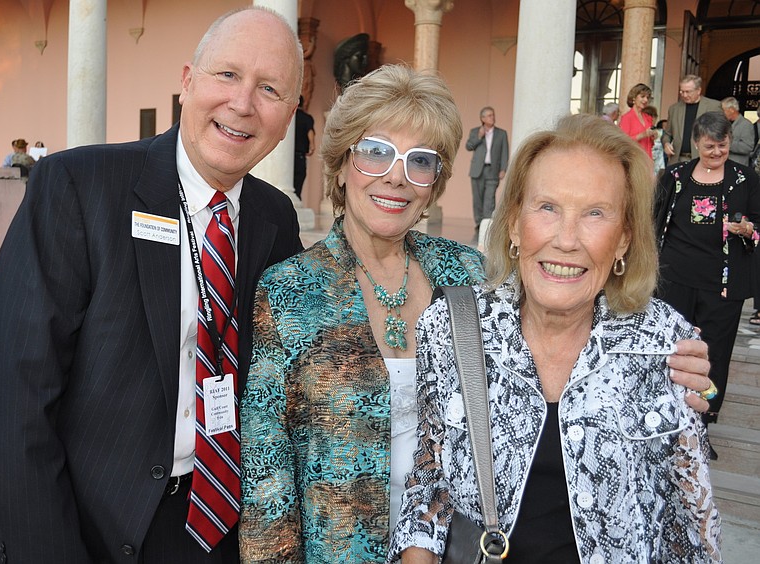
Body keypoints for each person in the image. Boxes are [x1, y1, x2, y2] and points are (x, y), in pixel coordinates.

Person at [238, 67, 715, 563]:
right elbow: (266, 476)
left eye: (420, 161)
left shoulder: (470, 274)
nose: (396, 176)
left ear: (434, 183)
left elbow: (570, 311)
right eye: (375, 152)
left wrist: (683, 372)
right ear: (341, 165)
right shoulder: (290, 293)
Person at [0, 7, 304, 564]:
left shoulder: (275, 219)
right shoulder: (79, 186)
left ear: (289, 115)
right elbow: (15, 401)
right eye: (226, 75)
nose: (242, 104)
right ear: (186, 81)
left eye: (269, 88)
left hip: (209, 525)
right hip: (76, 522)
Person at [391, 114, 722, 564]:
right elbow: (429, 480)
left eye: (595, 214)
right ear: (512, 224)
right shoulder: (451, 328)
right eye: (547, 208)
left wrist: (705, 389)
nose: (566, 240)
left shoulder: (663, 342)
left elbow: (692, 527)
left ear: (624, 239)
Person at [655, 110, 760, 447]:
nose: (717, 152)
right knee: (673, 349)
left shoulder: (746, 179)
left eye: (723, 146)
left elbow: (758, 224)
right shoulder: (675, 176)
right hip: (675, 278)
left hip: (723, 283)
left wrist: (748, 230)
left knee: (714, 353)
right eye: (710, 146)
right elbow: (654, 222)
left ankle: (701, 427)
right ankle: (667, 419)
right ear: (696, 143)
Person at [466, 106, 508, 234]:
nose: (492, 117)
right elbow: (468, 146)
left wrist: (503, 169)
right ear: (482, 118)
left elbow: (504, 152)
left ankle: (487, 224)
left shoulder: (501, 133)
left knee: (489, 199)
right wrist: (479, 136)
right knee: (477, 199)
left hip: (493, 170)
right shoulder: (475, 131)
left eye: (493, 115)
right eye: (489, 115)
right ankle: (479, 224)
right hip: (477, 170)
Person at [663, 74, 720, 165]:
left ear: (698, 90)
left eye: (688, 92)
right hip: (678, 159)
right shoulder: (674, 109)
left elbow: (721, 133)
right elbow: (667, 134)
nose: (684, 95)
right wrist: (666, 144)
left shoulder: (713, 106)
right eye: (682, 92)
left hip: (703, 160)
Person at [619, 83, 656, 159]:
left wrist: (653, 136)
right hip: (634, 158)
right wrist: (642, 135)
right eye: (642, 96)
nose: (646, 100)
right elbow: (623, 141)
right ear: (634, 98)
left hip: (647, 158)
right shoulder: (627, 118)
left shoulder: (648, 117)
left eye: (647, 97)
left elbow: (650, 143)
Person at [721, 96, 754, 166]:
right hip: (724, 165)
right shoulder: (725, 123)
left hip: (738, 165)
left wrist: (727, 143)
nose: (723, 113)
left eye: (724, 110)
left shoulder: (746, 124)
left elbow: (748, 147)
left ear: (732, 110)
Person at [293, 95, 315, 199]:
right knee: (298, 180)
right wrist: (312, 145)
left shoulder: (290, 117)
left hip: (286, 158)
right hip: (299, 155)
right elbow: (310, 132)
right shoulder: (307, 118)